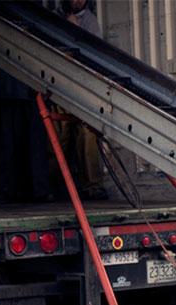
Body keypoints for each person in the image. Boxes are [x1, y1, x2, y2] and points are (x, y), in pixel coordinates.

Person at [58, 0, 106, 199]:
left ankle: (92, 186)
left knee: (87, 136)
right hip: (60, 85)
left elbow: (92, 52)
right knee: (59, 137)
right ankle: (57, 186)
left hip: (84, 87)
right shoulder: (58, 18)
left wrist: (75, 29)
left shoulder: (90, 22)